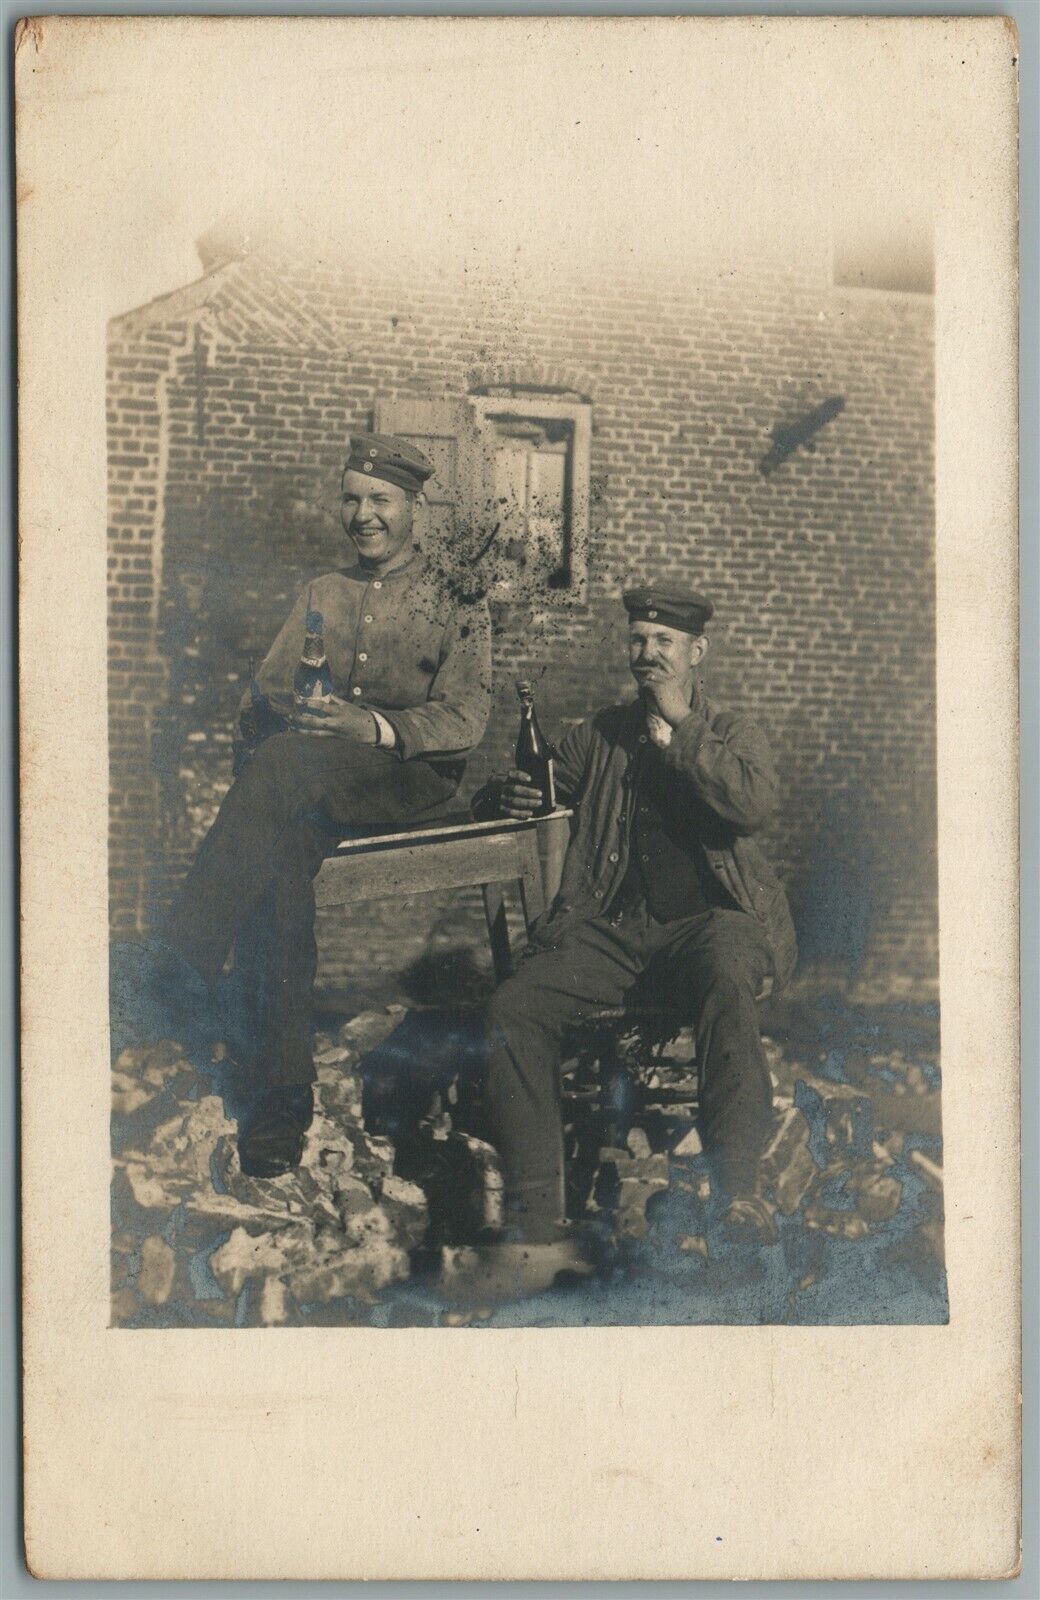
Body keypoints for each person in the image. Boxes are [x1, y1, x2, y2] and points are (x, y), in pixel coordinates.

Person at [153, 433, 492, 1177]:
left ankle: (179, 960)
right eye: (352, 499)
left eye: (381, 501)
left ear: (415, 508)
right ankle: (282, 1100)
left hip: (409, 780)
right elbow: (269, 690)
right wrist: (302, 713)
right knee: (279, 863)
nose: (363, 516)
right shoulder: (321, 594)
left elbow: (466, 717)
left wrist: (367, 725)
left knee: (282, 766)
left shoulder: (456, 600)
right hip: (307, 780)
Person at [476, 583, 797, 1265]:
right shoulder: (602, 734)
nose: (647, 655)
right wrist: (508, 791)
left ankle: (739, 1192)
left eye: (665, 643)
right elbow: (534, 781)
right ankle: (537, 1216)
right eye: (639, 641)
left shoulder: (732, 733)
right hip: (613, 932)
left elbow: (751, 804)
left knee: (729, 982)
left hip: (712, 922)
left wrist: (682, 731)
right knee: (514, 1005)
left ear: (696, 653)